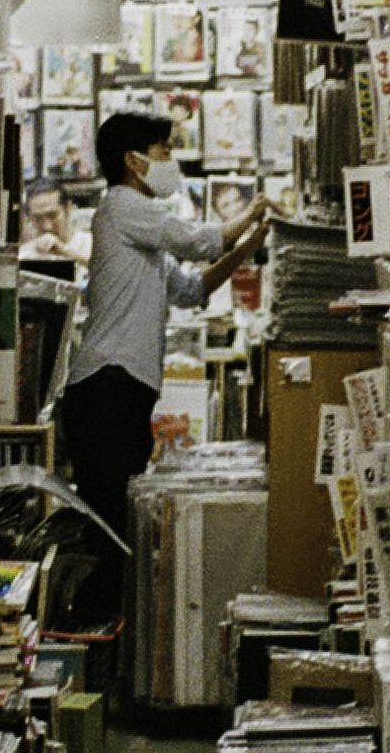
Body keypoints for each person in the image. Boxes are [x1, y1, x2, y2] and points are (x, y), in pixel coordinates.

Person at [58, 112, 272, 612]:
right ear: (133, 161)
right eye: (164, 151)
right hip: (107, 387)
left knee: (117, 532)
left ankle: (101, 632)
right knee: (111, 537)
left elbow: (192, 289)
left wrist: (248, 247)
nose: (171, 161)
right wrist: (253, 210)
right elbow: (199, 241)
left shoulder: (141, 231)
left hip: (121, 391)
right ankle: (88, 632)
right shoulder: (123, 206)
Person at [19, 178, 91, 268]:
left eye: (52, 215)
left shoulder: (93, 245)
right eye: (38, 218)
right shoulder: (23, 256)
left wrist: (65, 252)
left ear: (68, 208)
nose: (47, 226)